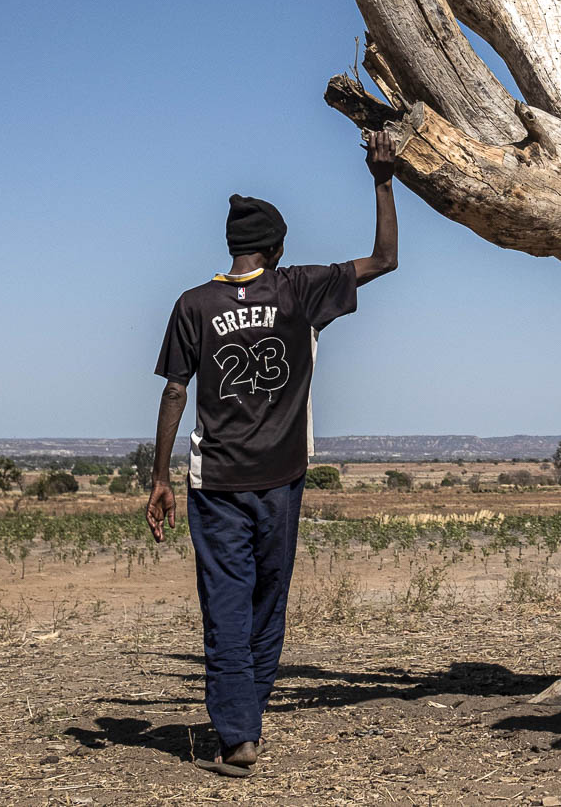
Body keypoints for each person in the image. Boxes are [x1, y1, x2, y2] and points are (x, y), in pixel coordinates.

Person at [146, 132, 399, 775]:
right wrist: (381, 176)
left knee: (224, 604)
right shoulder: (299, 290)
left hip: (214, 481)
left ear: (231, 247)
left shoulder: (192, 304)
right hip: (282, 480)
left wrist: (159, 478)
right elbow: (384, 259)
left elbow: (177, 389)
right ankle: (244, 719)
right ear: (278, 246)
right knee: (267, 601)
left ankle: (239, 732)